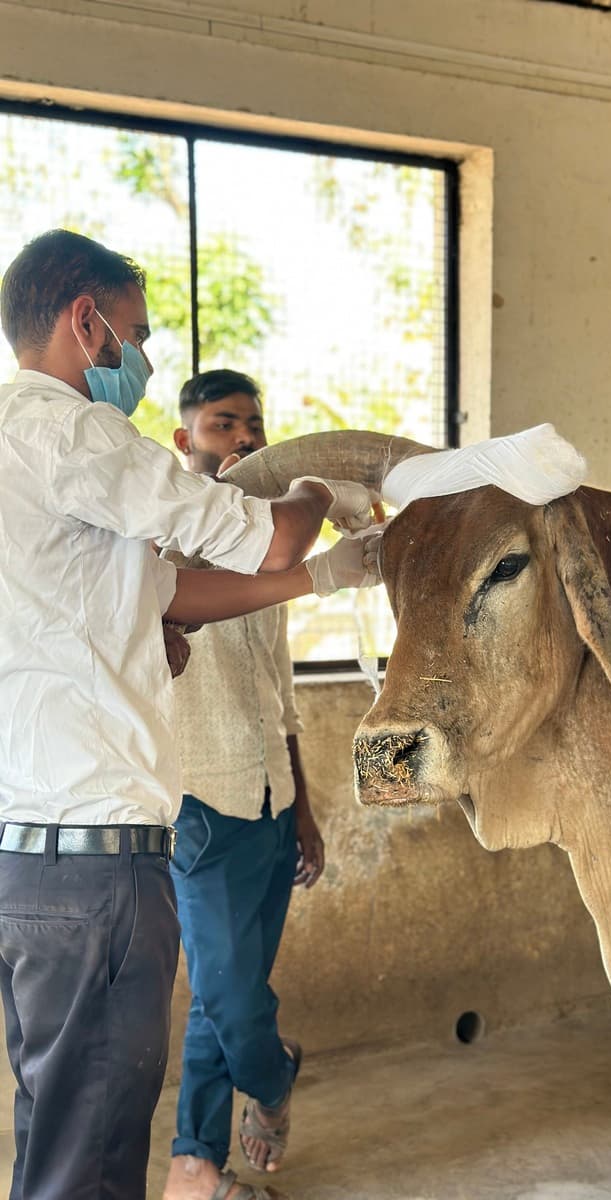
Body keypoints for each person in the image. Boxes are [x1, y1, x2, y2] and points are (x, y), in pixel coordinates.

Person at [0, 229, 378, 1200]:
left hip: (30, 853)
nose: (142, 359)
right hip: (103, 853)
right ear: (85, 323)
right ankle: (216, 1138)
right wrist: (317, 490)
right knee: (93, 1149)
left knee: (58, 1130)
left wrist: (322, 575)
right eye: (135, 335)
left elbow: (172, 595)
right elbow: (273, 531)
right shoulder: (79, 435)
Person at [162, 371, 324, 1200]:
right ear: (185, 440)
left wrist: (306, 811)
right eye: (224, 424)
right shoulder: (153, 541)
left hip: (272, 801)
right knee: (229, 995)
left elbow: (281, 693)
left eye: (255, 425)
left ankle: (196, 1165)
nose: (245, 438)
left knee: (222, 999)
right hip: (199, 806)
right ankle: (275, 1073)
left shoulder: (274, 547)